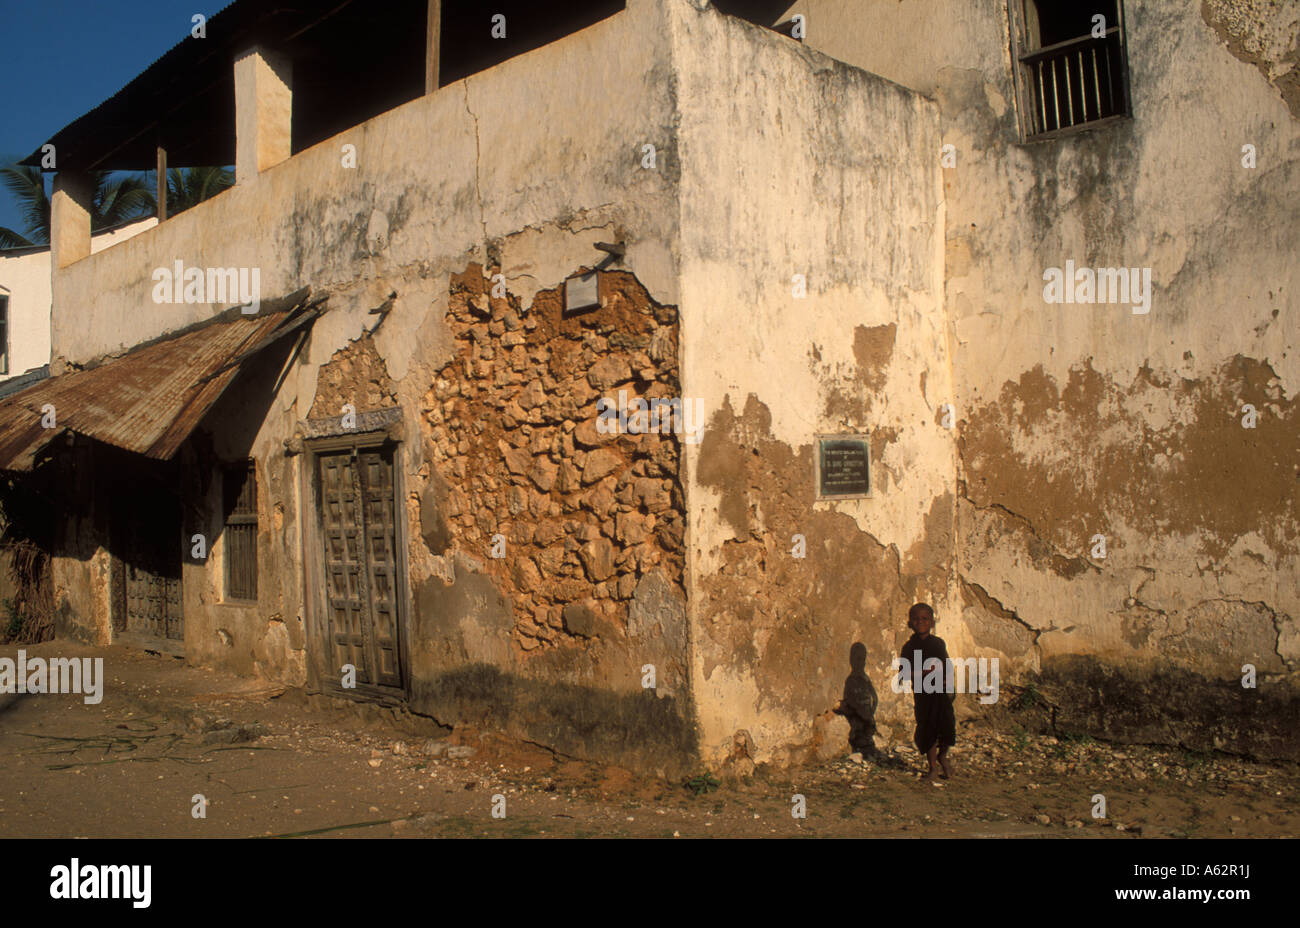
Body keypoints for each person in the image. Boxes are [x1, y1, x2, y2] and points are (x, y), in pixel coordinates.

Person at [901, 602, 955, 781]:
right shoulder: (909, 648)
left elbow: (946, 664)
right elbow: (904, 673)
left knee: (947, 728)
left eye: (924, 619)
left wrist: (948, 679)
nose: (920, 622)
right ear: (910, 623)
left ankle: (943, 756)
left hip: (941, 692)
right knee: (928, 730)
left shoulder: (938, 643)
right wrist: (925, 671)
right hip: (923, 695)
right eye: (916, 619)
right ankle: (932, 767)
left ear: (932, 622)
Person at [834, 642, 878, 758]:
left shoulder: (864, 679)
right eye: (856, 658)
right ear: (851, 660)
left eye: (862, 658)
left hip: (865, 718)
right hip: (858, 719)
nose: (859, 662)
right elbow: (849, 700)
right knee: (860, 733)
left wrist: (869, 713)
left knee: (865, 732)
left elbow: (875, 698)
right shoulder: (851, 680)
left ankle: (866, 747)